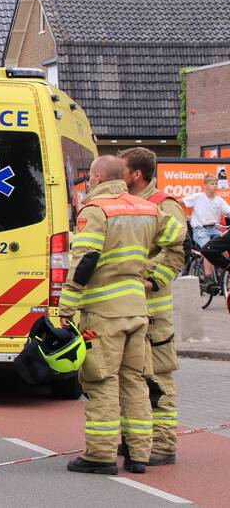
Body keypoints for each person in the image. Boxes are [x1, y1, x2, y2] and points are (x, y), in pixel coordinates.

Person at [61, 155, 183, 475]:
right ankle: (140, 454)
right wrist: (153, 275)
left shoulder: (96, 210)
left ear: (99, 178)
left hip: (103, 312)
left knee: (101, 380)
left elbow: (85, 261)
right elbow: (178, 238)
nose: (88, 182)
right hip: (138, 311)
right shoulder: (147, 207)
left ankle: (101, 455)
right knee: (136, 383)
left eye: (90, 178)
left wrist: (66, 306)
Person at [119, 147, 187, 466]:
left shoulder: (163, 206)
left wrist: (150, 281)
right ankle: (136, 437)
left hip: (154, 309)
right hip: (126, 307)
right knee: (130, 374)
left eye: (123, 170)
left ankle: (162, 443)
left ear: (136, 174)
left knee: (158, 376)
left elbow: (175, 253)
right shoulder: (124, 204)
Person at [182, 175, 230, 288]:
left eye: (216, 184)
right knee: (209, 249)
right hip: (200, 230)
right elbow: (181, 202)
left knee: (225, 251)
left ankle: (223, 275)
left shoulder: (219, 200)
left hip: (214, 230)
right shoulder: (198, 197)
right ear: (205, 185)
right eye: (212, 184)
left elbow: (228, 211)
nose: (214, 186)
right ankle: (208, 278)